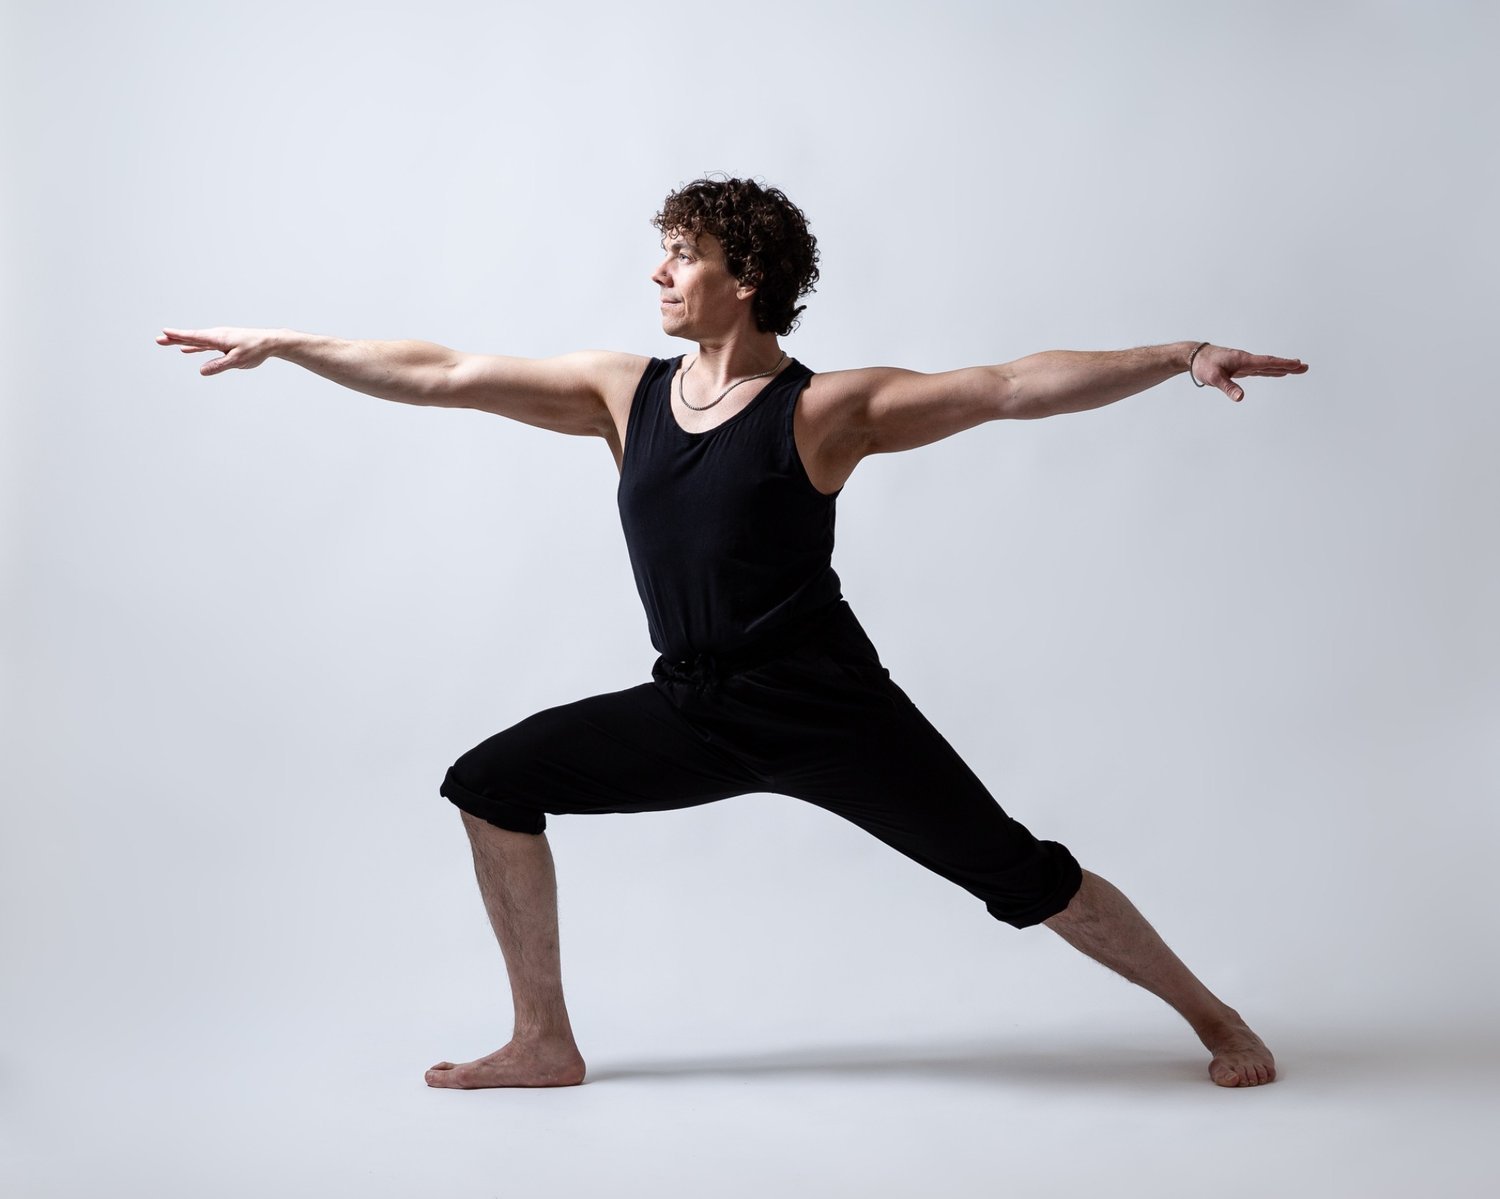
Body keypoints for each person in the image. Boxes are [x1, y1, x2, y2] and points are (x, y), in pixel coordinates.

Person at [158, 175, 1307, 1092]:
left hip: (827, 704)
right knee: (490, 781)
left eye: (683, 253)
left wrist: (1176, 356)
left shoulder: (823, 409)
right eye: (662, 250)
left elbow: (1007, 385)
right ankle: (543, 1039)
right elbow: (445, 372)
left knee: (1020, 872)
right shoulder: (624, 394)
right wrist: (292, 341)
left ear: (745, 277)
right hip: (694, 704)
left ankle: (1215, 1015)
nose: (659, 271)